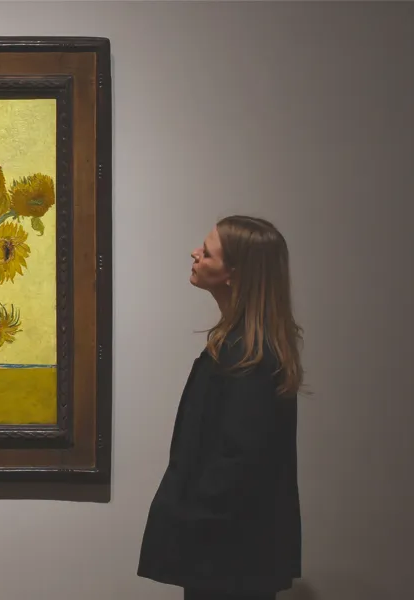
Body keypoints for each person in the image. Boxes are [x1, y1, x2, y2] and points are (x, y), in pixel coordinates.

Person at [137, 215, 304, 600]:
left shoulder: (251, 357)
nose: (195, 253)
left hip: (228, 556)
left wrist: (190, 520)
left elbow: (238, 461)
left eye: (208, 252)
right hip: (225, 553)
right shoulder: (240, 347)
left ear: (234, 274)